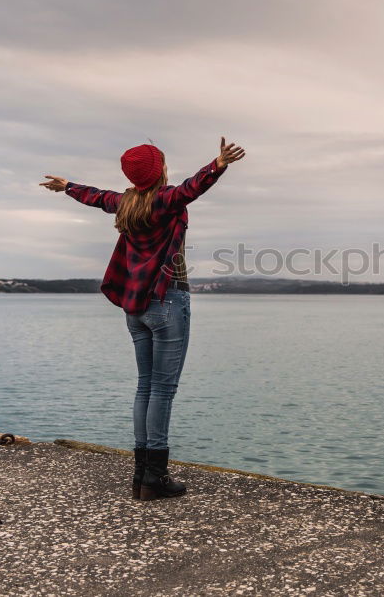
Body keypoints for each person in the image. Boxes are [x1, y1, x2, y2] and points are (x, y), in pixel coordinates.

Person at [39, 137, 246, 500]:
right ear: (159, 170)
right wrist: (218, 164)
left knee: (145, 387)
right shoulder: (164, 200)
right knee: (163, 391)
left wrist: (67, 186)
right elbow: (190, 189)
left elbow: (97, 196)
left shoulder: (125, 203)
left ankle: (141, 476)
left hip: (136, 308)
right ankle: (155, 477)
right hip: (167, 300)